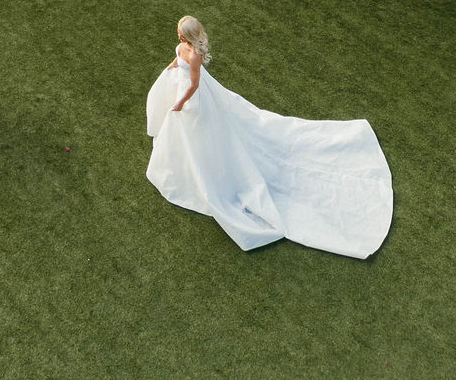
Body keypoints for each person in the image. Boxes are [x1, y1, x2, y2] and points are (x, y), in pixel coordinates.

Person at [146, 16, 393, 258]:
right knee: (183, 132)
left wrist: (180, 103)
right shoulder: (184, 48)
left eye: (181, 33)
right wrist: (171, 67)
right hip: (182, 90)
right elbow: (177, 59)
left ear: (188, 36)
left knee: (201, 133)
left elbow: (193, 85)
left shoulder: (195, 56)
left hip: (193, 99)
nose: (178, 36)